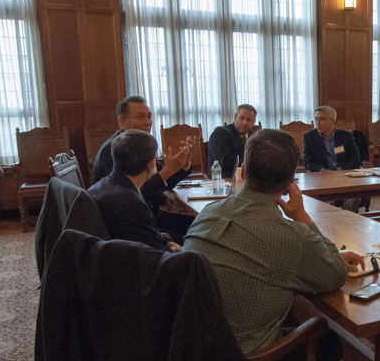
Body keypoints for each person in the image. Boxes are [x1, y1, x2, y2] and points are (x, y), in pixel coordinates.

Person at [183, 129, 365, 361]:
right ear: (291, 182)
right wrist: (301, 216)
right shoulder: (293, 236)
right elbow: (335, 275)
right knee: (328, 340)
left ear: (243, 170)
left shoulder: (209, 213)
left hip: (192, 359)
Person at [93, 95, 197, 242]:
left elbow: (161, 183)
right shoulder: (112, 150)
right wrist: (167, 171)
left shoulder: (139, 145)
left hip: (147, 212)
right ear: (122, 122)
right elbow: (131, 194)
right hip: (128, 226)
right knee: (198, 233)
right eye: (140, 116)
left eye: (149, 116)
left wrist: (182, 164)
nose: (148, 122)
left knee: (199, 223)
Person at [88, 130, 177, 251]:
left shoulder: (101, 185)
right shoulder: (130, 203)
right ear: (151, 165)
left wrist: (166, 241)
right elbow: (155, 255)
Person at [302, 105, 362, 212]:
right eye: (316, 119)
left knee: (354, 196)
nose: (317, 122)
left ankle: (346, 221)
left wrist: (337, 171)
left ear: (332, 121)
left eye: (322, 119)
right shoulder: (309, 137)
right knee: (322, 200)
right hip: (322, 177)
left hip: (344, 176)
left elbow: (356, 160)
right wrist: (323, 171)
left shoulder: (346, 136)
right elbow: (308, 161)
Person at [208, 103, 257, 178]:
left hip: (250, 179)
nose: (244, 123)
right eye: (241, 118)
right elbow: (225, 161)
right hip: (225, 179)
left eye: (249, 120)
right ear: (235, 117)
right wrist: (254, 165)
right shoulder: (220, 133)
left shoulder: (255, 137)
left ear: (254, 122)